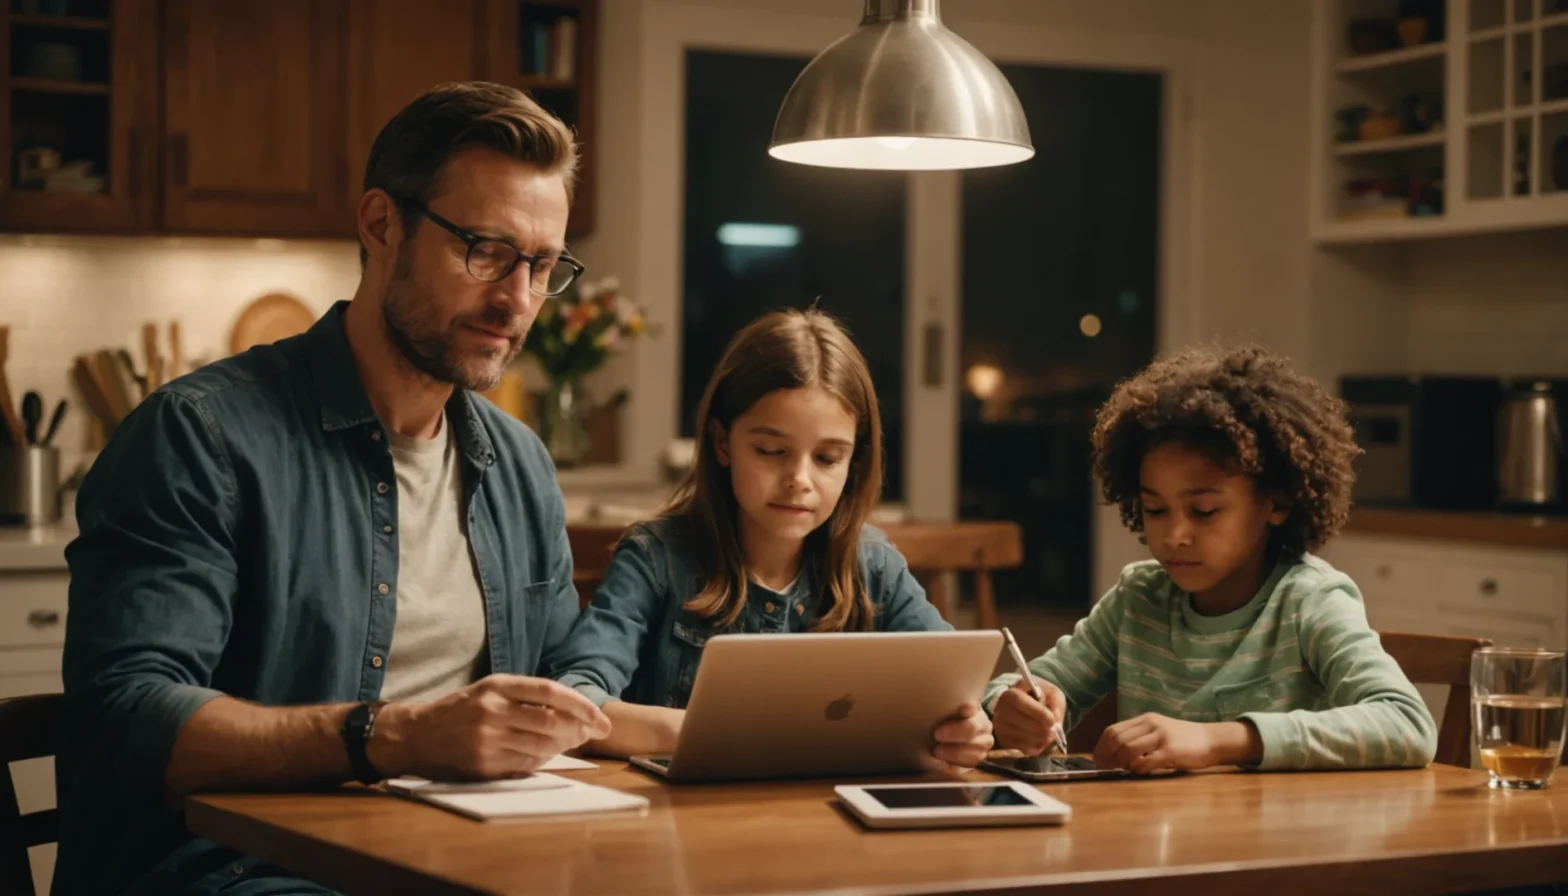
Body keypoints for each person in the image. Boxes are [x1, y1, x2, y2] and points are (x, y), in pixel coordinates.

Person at [56, 81, 610, 896]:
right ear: (382, 225)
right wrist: (394, 735)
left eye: (540, 264)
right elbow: (124, 718)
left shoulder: (519, 465)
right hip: (236, 871)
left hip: (457, 861)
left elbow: (562, 690)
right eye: (485, 251)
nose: (517, 300)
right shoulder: (199, 437)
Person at [551, 309, 994, 769]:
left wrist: (968, 727)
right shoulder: (656, 558)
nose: (798, 479)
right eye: (771, 451)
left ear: (853, 463)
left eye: (827, 458)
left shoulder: (873, 564)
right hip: (682, 825)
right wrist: (706, 733)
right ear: (722, 443)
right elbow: (575, 698)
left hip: (831, 821)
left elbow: (959, 690)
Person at [988, 346, 1436, 773]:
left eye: (1204, 511)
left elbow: (1407, 724)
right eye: (1155, 510)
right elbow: (1019, 689)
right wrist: (1011, 706)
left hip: (1280, 845)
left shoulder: (1308, 600)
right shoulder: (1138, 599)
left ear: (1276, 502)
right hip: (1155, 839)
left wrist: (1220, 740)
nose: (1174, 535)